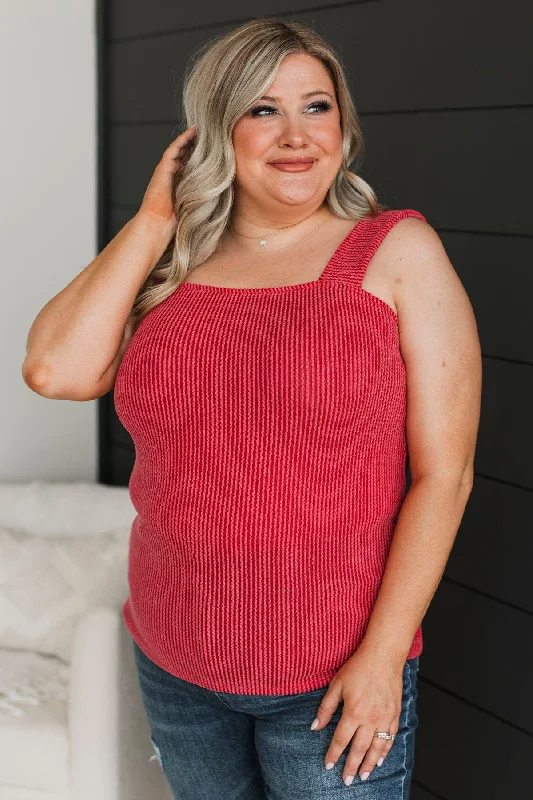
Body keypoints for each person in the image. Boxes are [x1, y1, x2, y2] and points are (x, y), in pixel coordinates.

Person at [22, 16, 482, 800]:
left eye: (317, 106)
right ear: (214, 132)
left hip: (331, 679)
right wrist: (154, 220)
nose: (296, 134)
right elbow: (54, 369)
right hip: (175, 659)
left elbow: (445, 474)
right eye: (263, 109)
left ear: (344, 125)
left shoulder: (394, 253)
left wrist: (380, 656)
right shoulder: (171, 266)